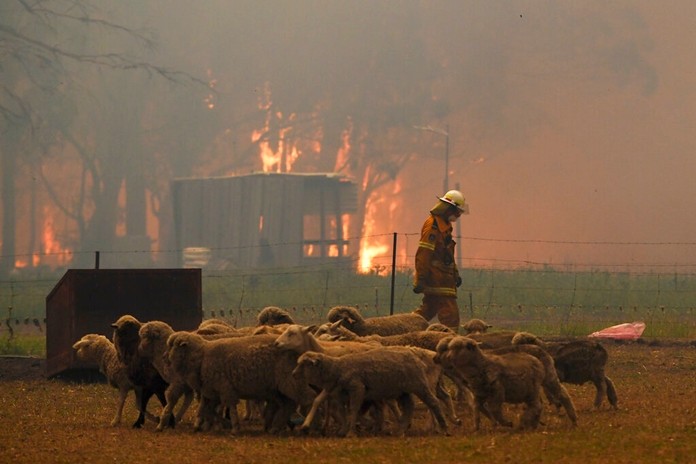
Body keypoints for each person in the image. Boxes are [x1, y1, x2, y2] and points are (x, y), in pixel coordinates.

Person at [412, 189, 469, 332]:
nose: (457, 215)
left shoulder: (445, 226)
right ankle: (451, 345)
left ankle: (404, 329)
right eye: (456, 211)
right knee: (451, 316)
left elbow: (447, 255)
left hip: (443, 278)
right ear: (448, 208)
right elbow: (424, 253)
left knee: (426, 311)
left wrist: (455, 274)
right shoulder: (433, 226)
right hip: (436, 279)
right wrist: (421, 278)